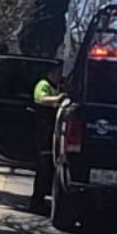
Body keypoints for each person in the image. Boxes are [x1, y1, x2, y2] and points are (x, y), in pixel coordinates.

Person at [29, 66, 65, 213]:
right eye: (57, 74)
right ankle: (36, 202)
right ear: (50, 73)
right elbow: (41, 99)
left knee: (48, 169)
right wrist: (58, 98)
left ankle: (42, 200)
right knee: (43, 169)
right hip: (43, 132)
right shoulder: (43, 84)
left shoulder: (57, 87)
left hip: (52, 132)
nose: (59, 77)